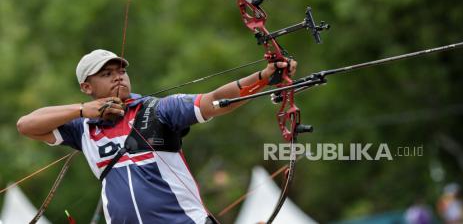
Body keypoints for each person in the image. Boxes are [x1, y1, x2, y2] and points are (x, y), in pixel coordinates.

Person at [16, 49, 297, 224]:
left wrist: (263, 77)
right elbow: (26, 125)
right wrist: (81, 110)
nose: (119, 77)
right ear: (87, 86)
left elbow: (214, 101)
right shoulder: (82, 128)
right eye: (107, 73)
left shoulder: (158, 110)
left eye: (122, 71)